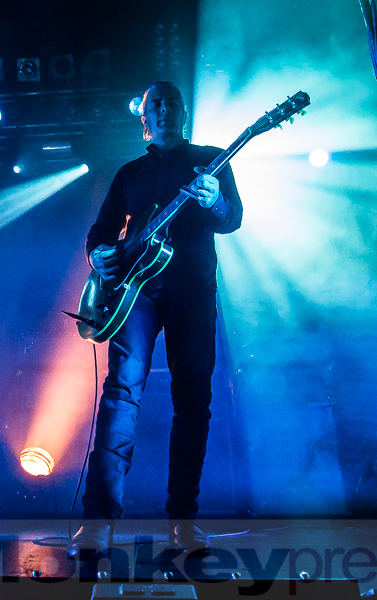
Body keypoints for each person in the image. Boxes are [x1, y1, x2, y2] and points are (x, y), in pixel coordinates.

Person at [68, 81, 242, 559]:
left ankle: (183, 522)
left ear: (183, 113)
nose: (163, 110)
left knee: (193, 402)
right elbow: (100, 235)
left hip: (192, 292)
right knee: (121, 395)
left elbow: (232, 219)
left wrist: (212, 201)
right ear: (142, 116)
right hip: (136, 295)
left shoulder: (211, 158)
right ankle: (98, 521)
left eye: (170, 103)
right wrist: (99, 255)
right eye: (153, 104)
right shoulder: (130, 173)